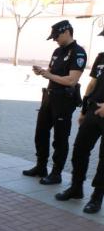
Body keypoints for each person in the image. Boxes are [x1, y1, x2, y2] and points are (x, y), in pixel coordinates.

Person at [22, 20, 87, 185]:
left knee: (60, 138)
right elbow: (51, 72)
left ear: (66, 32)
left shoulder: (78, 53)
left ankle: (56, 173)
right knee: (41, 133)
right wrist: (42, 72)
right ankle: (41, 167)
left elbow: (72, 80)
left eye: (56, 36)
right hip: (49, 97)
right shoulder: (57, 51)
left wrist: (49, 76)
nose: (54, 39)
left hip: (64, 100)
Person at [55, 27, 104, 213]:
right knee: (80, 150)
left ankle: (97, 197)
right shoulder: (101, 57)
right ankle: (76, 188)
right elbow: (92, 84)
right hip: (93, 110)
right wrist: (84, 110)